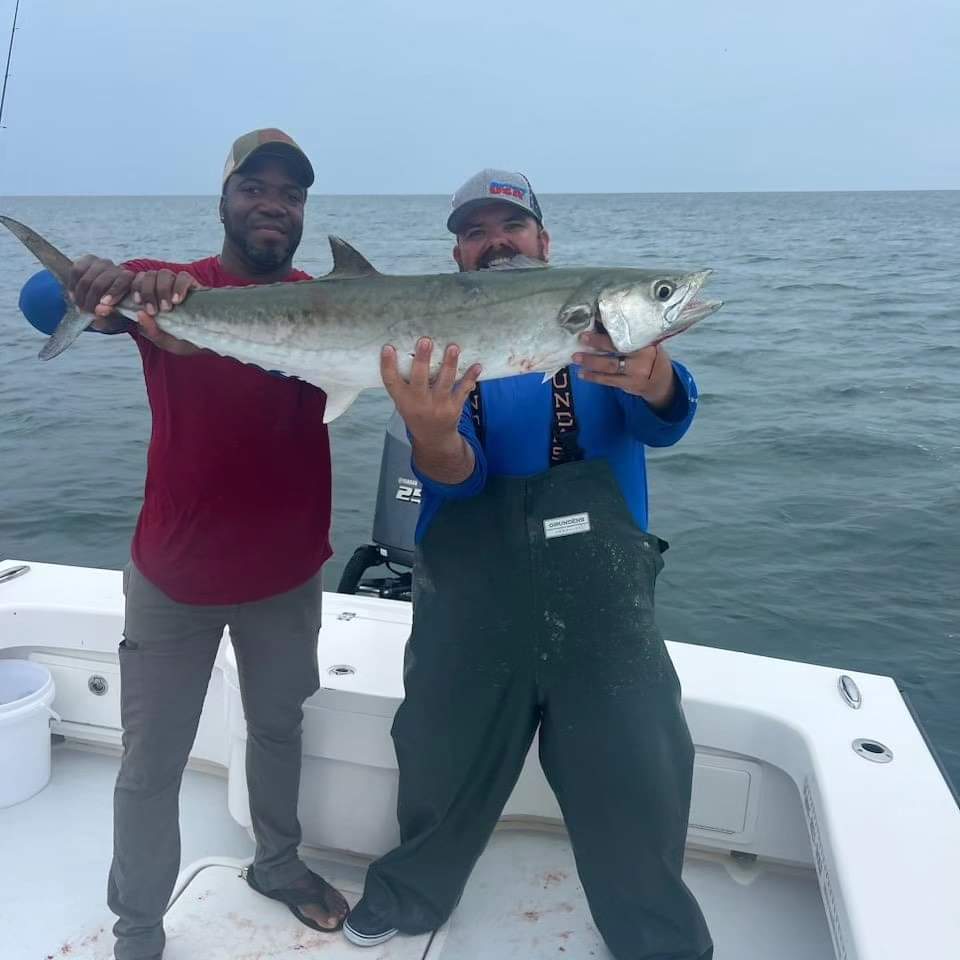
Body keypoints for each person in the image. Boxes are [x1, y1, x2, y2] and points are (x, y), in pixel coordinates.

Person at [344, 169, 713, 959]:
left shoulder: (603, 335)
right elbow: (458, 475)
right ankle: (410, 895)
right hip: (470, 585)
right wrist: (433, 436)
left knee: (637, 766)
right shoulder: (441, 345)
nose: (495, 241)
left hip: (602, 589)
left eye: (510, 225)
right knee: (439, 751)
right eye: (475, 231)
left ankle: (655, 938)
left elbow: (666, 423)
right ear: (457, 254)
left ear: (545, 241)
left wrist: (656, 380)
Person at [18, 129, 349, 960]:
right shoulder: (174, 291)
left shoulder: (326, 302)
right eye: (255, 186)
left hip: (288, 575)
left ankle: (277, 864)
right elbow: (35, 300)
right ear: (225, 199)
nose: (274, 203)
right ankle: (137, 928)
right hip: (174, 575)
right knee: (150, 763)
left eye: (292, 193)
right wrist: (94, 282)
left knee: (279, 730)